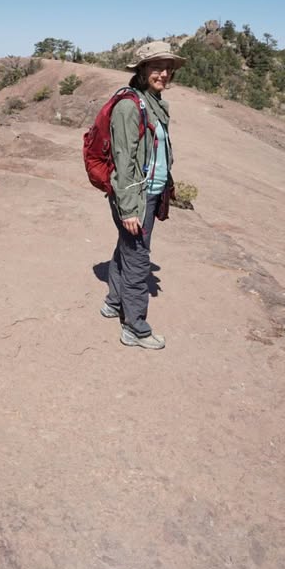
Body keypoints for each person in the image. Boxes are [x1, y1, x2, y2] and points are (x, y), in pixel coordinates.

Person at [100, 41, 185, 350]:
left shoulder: (153, 101)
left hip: (149, 194)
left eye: (168, 68)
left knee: (128, 248)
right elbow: (124, 163)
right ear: (140, 70)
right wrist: (128, 210)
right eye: (156, 67)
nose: (163, 73)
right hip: (135, 198)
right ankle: (135, 328)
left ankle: (113, 302)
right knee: (138, 260)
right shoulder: (129, 106)